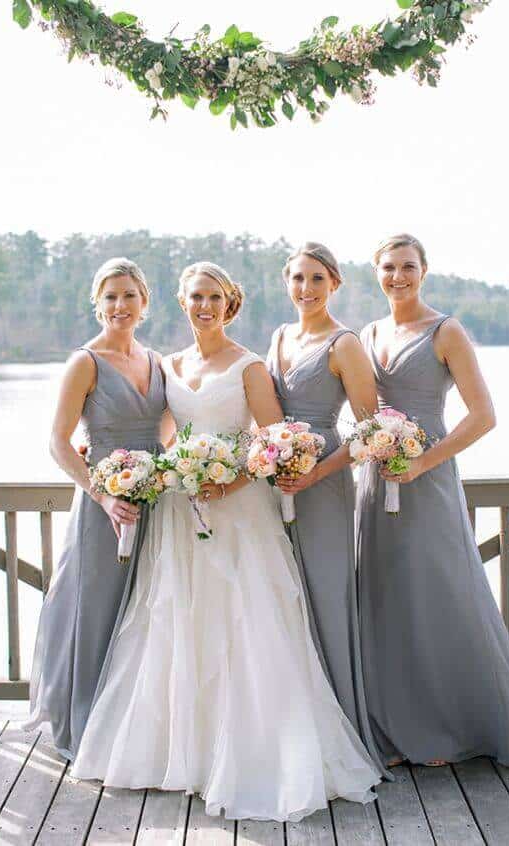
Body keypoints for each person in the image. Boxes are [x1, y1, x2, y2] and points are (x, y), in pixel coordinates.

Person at [71, 261, 382, 820]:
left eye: (214, 297)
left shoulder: (250, 366)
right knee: (179, 620)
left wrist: (228, 478)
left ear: (229, 302)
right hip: (177, 514)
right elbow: (165, 432)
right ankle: (184, 752)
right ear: (181, 303)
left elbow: (269, 442)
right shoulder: (168, 365)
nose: (204, 306)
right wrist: (147, 468)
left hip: (239, 515)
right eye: (194, 297)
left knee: (245, 623)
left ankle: (252, 754)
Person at [357, 233, 509, 773]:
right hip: (375, 483)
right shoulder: (369, 333)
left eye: (408, 267)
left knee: (438, 594)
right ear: (377, 273)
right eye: (388, 267)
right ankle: (393, 727)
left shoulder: (446, 331)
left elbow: (483, 415)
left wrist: (423, 462)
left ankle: (453, 725)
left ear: (425, 271)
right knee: (385, 597)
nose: (398, 276)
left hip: (429, 480)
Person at [24, 258, 172, 760]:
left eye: (129, 295)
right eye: (110, 296)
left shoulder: (156, 362)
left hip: (152, 500)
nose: (119, 306)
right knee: (98, 609)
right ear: (96, 303)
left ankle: (133, 725)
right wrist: (103, 493)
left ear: (145, 302)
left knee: (145, 609)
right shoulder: (84, 362)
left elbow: (166, 430)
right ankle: (85, 726)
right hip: (102, 506)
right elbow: (58, 443)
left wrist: (169, 469)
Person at [266, 242, 388, 779]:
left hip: (324, 481)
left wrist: (314, 471)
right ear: (285, 282)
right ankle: (293, 729)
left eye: (317, 279)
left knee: (325, 596)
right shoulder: (279, 336)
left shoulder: (346, 344)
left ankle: (344, 729)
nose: (306, 289)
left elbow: (370, 429)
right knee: (283, 599)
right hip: (277, 483)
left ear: (334, 283)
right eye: (297, 279)